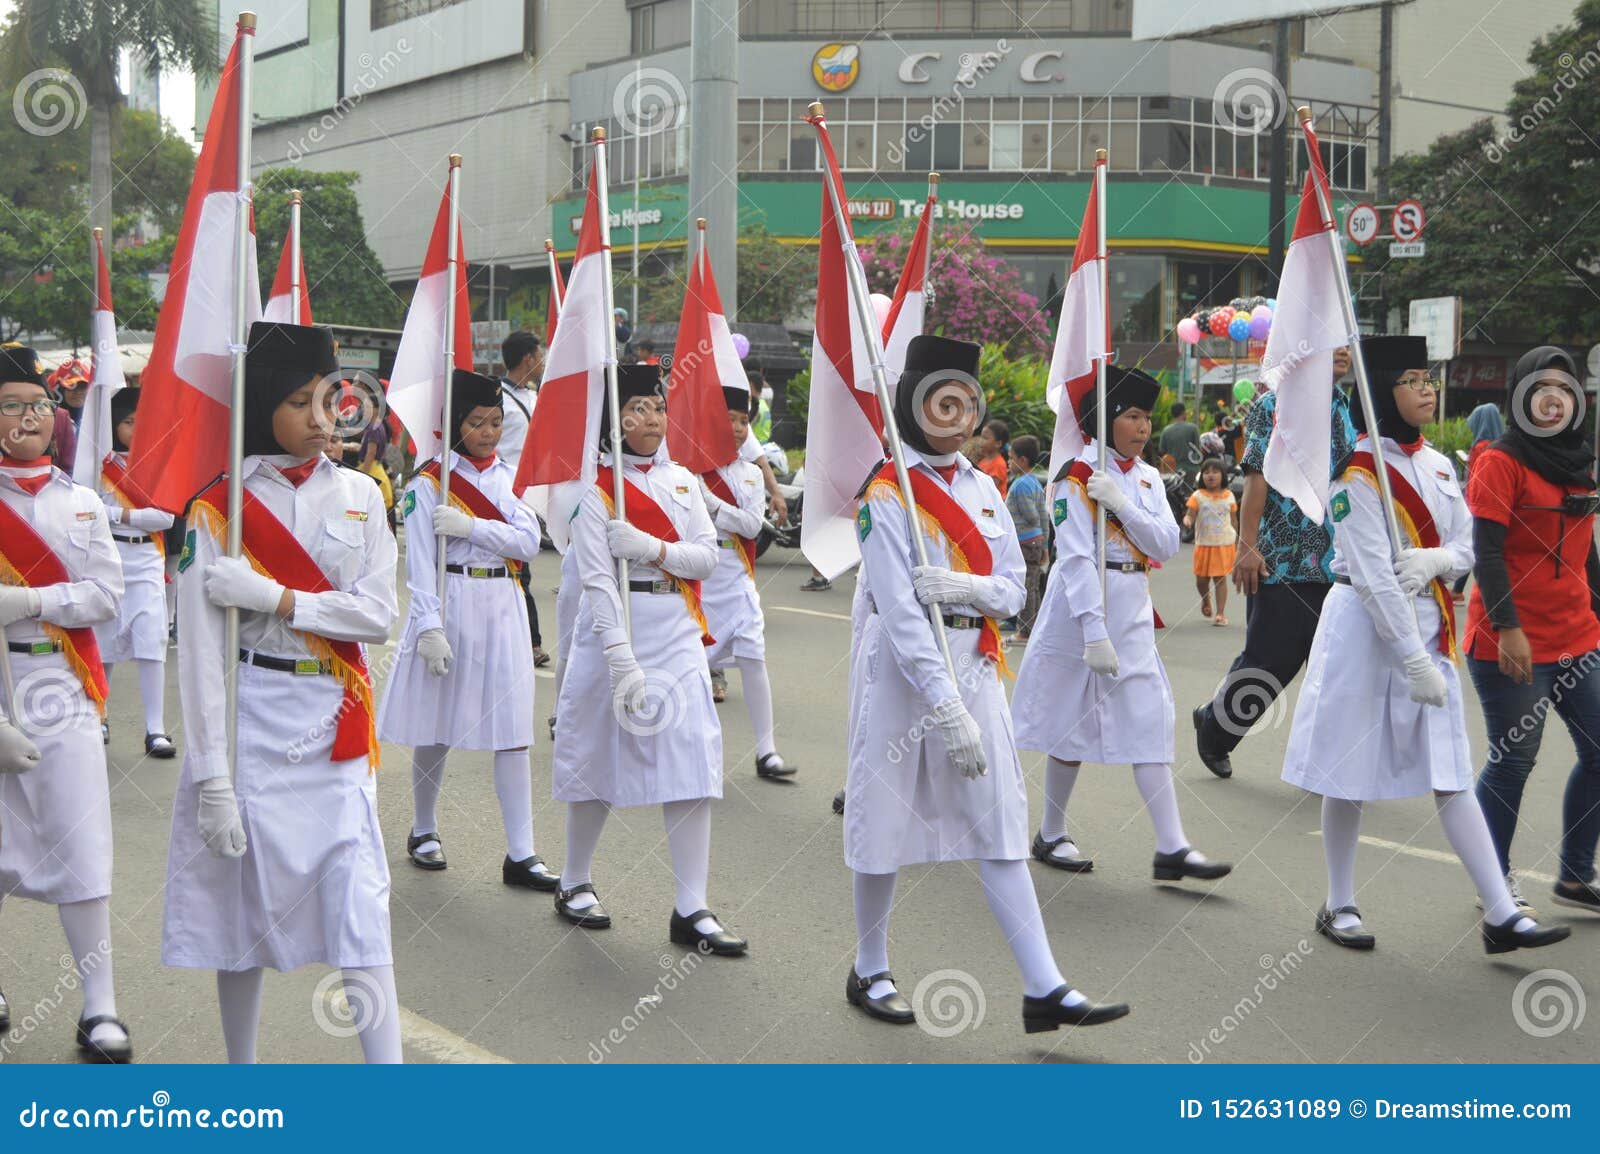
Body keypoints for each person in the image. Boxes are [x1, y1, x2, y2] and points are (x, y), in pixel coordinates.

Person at [844, 335, 1128, 1033]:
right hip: (902, 674)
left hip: (977, 659)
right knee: (883, 818)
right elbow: (900, 607)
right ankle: (870, 967)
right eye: (945, 400)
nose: (960, 416)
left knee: (1000, 822)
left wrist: (964, 585)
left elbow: (1011, 590)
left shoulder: (983, 488)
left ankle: (1044, 986)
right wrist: (942, 706)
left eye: (969, 403)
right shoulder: (886, 491)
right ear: (913, 403)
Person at [1281, 335, 1570, 956]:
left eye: (1428, 377)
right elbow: (1371, 573)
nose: (1427, 388)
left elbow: (1468, 543)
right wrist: (1412, 657)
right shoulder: (1355, 470)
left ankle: (1500, 911)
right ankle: (1339, 902)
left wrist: (1439, 557)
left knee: (1451, 772)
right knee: (1346, 770)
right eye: (1412, 379)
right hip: (1364, 627)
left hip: (1428, 617)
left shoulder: (1441, 465)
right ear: (1383, 391)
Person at [162, 321, 402, 1063]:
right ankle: (244, 1074)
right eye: (300, 401)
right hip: (250, 723)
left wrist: (279, 599)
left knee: (361, 908)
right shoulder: (215, 508)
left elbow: (378, 614)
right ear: (264, 401)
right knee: (241, 914)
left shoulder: (362, 493)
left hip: (333, 722)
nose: (322, 417)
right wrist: (212, 782)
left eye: (331, 399)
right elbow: (202, 660)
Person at [550, 364, 746, 955]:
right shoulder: (592, 490)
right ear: (614, 419)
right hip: (614, 633)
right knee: (596, 756)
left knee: (693, 756)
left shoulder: (684, 482)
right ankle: (573, 879)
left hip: (676, 628)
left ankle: (692, 907)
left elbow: (707, 558)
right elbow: (597, 583)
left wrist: (652, 548)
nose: (651, 418)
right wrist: (620, 662)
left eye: (658, 407)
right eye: (636, 407)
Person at [1012, 364, 1233, 882]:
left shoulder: (1149, 478)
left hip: (1131, 601)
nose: (1142, 428)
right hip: (1081, 607)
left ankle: (1172, 845)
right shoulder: (1075, 475)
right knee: (1070, 717)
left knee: (1149, 717)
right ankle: (1051, 831)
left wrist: (1122, 503)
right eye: (1132, 416)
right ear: (1107, 418)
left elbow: (1160, 546)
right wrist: (1092, 630)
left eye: (1146, 418)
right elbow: (1073, 558)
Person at [378, 368, 559, 889]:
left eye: (496, 422)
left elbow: (528, 543)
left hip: (501, 602)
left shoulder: (511, 478)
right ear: (454, 425)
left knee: (514, 731)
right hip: (451, 601)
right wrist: (429, 626)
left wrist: (473, 527)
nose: (487, 432)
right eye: (476, 422)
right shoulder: (428, 483)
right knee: (436, 725)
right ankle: (424, 827)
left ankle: (521, 853)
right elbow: (419, 564)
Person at [0, 344, 131, 1063]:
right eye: (13, 404)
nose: (30, 416)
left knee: (81, 846)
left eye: (40, 404)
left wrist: (26, 599)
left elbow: (105, 596)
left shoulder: (81, 502)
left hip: (62, 682)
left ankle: (100, 1003)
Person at [1467, 347, 1600, 916]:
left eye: (1566, 390)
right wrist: (1509, 628)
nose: (1555, 398)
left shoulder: (1579, 459)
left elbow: (1584, 550)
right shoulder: (1501, 460)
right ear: (1521, 394)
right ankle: (1494, 883)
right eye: (1543, 387)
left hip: (1578, 633)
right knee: (1515, 759)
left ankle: (1574, 876)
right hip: (1512, 637)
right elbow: (1487, 552)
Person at [1192, 346, 1356, 778]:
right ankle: (1214, 729)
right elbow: (1257, 475)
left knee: (1331, 664)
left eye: (1345, 342)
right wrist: (1247, 546)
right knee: (1271, 661)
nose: (1341, 351)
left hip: (1336, 559)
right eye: (1331, 341)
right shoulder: (1274, 403)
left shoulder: (1347, 406)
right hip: (1281, 558)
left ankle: (1327, 764)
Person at [700, 383, 796, 781]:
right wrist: (705, 496)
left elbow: (752, 523)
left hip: (737, 576)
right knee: (693, 668)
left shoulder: (751, 476)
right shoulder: (691, 468)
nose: (739, 428)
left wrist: (710, 503)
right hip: (700, 577)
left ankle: (766, 751)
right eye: (731, 419)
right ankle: (693, 751)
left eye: (744, 421)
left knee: (754, 659)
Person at [94, 386, 177, 757]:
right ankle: (99, 715)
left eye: (141, 421)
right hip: (109, 556)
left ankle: (155, 729)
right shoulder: (100, 464)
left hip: (146, 560)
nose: (135, 428)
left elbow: (165, 516)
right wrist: (127, 518)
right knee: (104, 641)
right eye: (128, 422)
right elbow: (89, 512)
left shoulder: (158, 462)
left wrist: (117, 514)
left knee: (151, 640)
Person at [497, 329, 550, 668]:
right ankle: (529, 642)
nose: (544, 361)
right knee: (516, 570)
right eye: (540, 355)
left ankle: (526, 640)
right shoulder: (496, 398)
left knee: (521, 568)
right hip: (502, 494)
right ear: (528, 358)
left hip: (530, 495)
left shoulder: (536, 398)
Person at [1451, 402, 1506, 600]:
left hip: (1479, 505)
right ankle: (1459, 590)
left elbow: (1477, 480)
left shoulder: (1481, 447)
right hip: (1498, 506)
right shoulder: (1502, 447)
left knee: (1474, 548)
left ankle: (1464, 591)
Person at [1004, 434, 1049, 642]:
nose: (1008, 462)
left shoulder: (1021, 484)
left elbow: (1032, 516)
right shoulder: (1036, 483)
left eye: (1011, 458)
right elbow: (1044, 517)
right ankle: (1036, 626)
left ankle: (1025, 631)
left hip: (1025, 542)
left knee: (1026, 587)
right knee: (1033, 586)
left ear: (1022, 460)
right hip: (1036, 542)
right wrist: (1046, 546)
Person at [1184, 457, 1238, 627]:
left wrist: (1237, 540)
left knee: (1220, 579)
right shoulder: (1197, 496)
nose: (1210, 475)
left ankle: (1220, 613)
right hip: (1203, 544)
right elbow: (1190, 514)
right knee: (1201, 580)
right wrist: (1187, 520)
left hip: (1224, 544)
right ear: (1202, 476)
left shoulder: (1229, 496)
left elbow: (1234, 521)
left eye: (1215, 472)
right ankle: (1205, 599)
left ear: (1223, 475)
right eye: (1206, 472)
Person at [1158, 402, 1201, 473]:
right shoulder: (1193, 428)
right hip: (1191, 469)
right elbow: (1198, 449)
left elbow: (1162, 451)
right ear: (1184, 413)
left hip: (1173, 471)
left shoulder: (1166, 431)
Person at [975, 418, 1010, 497]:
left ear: (998, 444)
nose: (981, 441)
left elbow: (989, 489)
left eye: (985, 438)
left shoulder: (999, 464)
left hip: (992, 507)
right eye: (981, 437)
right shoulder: (983, 459)